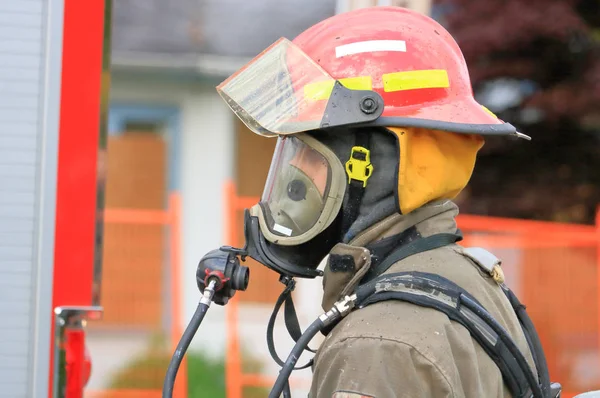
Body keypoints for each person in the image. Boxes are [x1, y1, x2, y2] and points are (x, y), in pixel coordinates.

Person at [216, 6, 556, 398]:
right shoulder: (465, 278)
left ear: (374, 165)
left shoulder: (377, 345)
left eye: (309, 152)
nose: (295, 172)